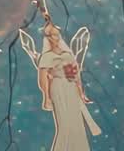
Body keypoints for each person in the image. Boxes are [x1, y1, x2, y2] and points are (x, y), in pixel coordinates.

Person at [35, 20, 101, 151]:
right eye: (53, 35)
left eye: (57, 34)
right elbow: (43, 80)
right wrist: (46, 97)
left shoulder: (67, 54)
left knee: (76, 122)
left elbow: (75, 76)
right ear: (48, 38)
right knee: (65, 124)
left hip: (70, 88)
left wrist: (81, 93)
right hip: (58, 89)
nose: (56, 37)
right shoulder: (47, 57)